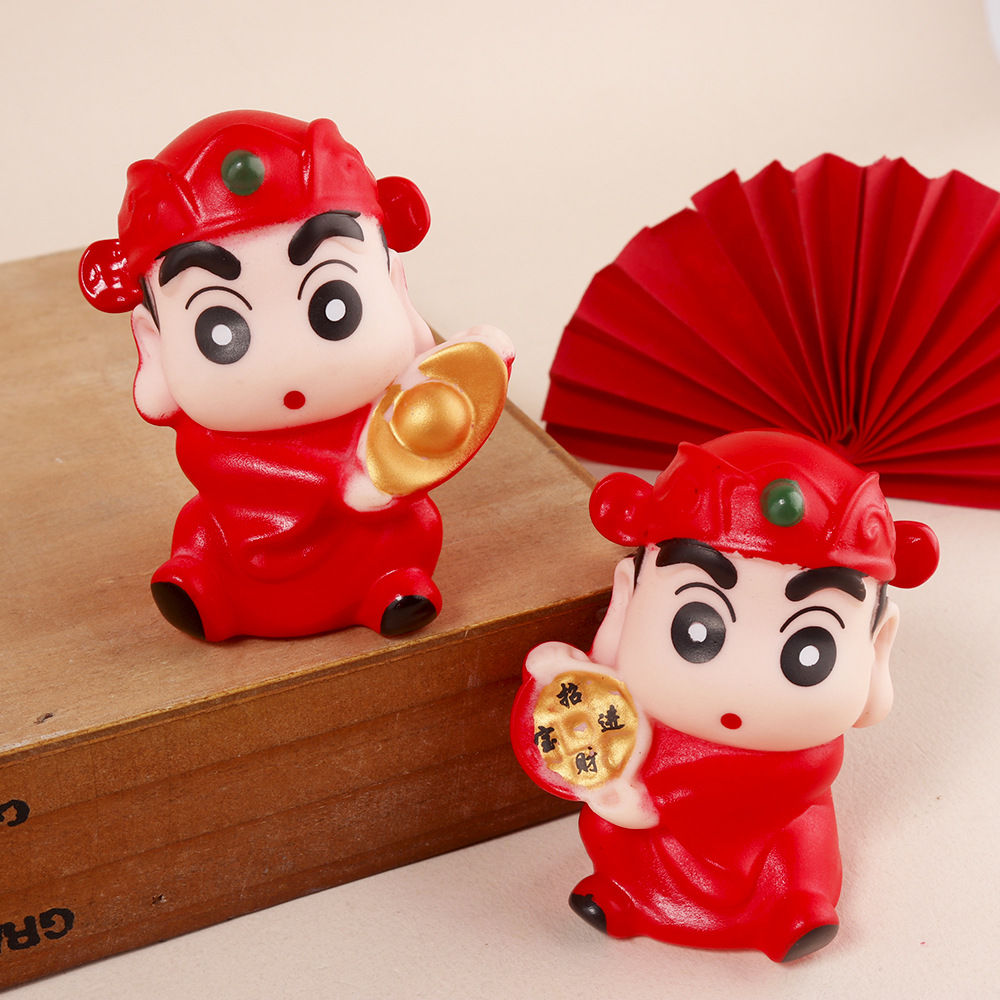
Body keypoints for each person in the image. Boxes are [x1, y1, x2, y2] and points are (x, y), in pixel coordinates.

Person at [80, 111, 513, 640]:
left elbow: (426, 432)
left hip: (367, 541)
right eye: (221, 328)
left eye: (334, 303)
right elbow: (222, 472)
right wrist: (343, 479)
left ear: (394, 288)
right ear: (154, 342)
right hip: (243, 548)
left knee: (415, 523)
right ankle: (203, 589)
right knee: (199, 530)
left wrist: (471, 367)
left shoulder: (380, 407)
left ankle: (391, 587)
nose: (286, 357)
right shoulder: (210, 444)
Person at [511, 429, 938, 961]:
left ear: (877, 644)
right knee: (609, 825)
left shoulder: (807, 757)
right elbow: (580, 746)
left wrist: (656, 797)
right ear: (628, 597)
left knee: (798, 843)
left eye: (809, 649)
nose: (743, 679)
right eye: (697, 629)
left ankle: (793, 910)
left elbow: (770, 792)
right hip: (655, 826)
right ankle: (624, 893)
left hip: (769, 834)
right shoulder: (638, 716)